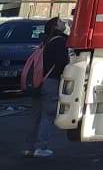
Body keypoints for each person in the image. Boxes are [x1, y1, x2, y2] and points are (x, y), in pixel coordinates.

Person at [24, 19, 69, 159]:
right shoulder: (59, 41)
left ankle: (29, 148)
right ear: (55, 26)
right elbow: (61, 62)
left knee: (35, 116)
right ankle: (41, 147)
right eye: (61, 22)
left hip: (38, 81)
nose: (64, 23)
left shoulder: (46, 41)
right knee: (47, 115)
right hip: (51, 81)